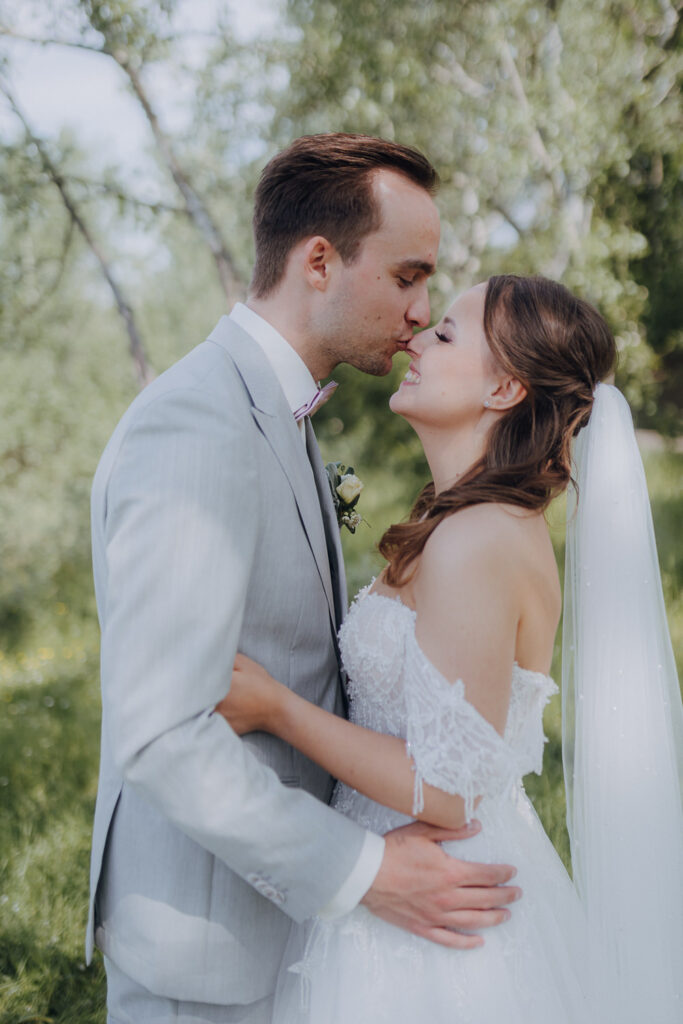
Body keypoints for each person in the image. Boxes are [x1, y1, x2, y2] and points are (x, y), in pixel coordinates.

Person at [86, 134, 521, 1024]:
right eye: (406, 278)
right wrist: (364, 870)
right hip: (205, 956)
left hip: (286, 938)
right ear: (318, 261)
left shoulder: (281, 414)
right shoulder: (199, 423)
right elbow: (163, 733)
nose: (419, 310)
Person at [217, 274, 683, 1023]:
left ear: (503, 390)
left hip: (438, 918)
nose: (419, 335)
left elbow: (447, 789)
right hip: (416, 878)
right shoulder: (470, 522)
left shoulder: (476, 539)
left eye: (447, 334)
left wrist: (274, 708)